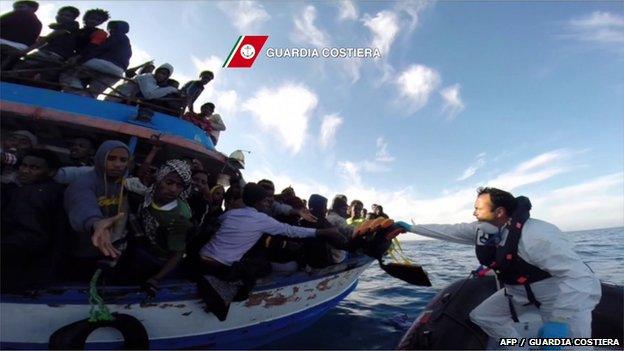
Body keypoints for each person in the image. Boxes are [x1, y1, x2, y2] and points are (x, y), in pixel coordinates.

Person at [395, 187, 601, 344]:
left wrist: (559, 320)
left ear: (500, 211)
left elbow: (578, 277)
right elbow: (451, 230)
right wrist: (412, 228)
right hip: (517, 294)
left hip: (558, 296)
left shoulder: (538, 235)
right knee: (483, 317)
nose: (473, 213)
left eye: (478, 208)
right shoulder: (486, 230)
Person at [198, 183, 343, 289]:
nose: (269, 204)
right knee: (263, 266)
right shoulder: (262, 220)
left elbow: (217, 223)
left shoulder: (230, 213)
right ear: (258, 202)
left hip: (200, 259)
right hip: (218, 268)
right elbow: (291, 230)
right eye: (266, 201)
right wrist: (324, 232)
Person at [1, 149, 66, 291]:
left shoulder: (33, 195)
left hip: (22, 269)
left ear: (51, 172)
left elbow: (29, 235)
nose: (25, 171)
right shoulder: (50, 190)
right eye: (23, 166)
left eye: (34, 168)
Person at [63, 140, 130, 277]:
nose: (118, 164)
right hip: (81, 251)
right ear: (100, 158)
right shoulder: (83, 184)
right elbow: (82, 204)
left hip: (110, 250)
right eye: (111, 158)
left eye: (123, 160)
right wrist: (95, 223)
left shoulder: (125, 185)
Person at [134, 159, 193, 294]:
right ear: (159, 180)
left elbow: (177, 254)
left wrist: (156, 279)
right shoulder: (148, 194)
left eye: (179, 186)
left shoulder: (179, 214)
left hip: (158, 263)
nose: (173, 189)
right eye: (169, 182)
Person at [60, 20, 132, 98]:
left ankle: (75, 94)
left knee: (69, 73)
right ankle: (83, 102)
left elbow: (101, 48)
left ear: (115, 28)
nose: (109, 30)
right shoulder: (127, 43)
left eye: (110, 28)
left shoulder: (116, 36)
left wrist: (80, 60)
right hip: (118, 71)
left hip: (103, 63)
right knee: (93, 92)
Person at [14, 6, 80, 84]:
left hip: (50, 55)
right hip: (54, 57)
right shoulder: (65, 28)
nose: (62, 17)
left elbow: (46, 39)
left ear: (73, 19)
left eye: (67, 15)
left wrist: (26, 51)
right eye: (60, 14)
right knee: (41, 79)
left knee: (19, 70)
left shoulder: (72, 26)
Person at [0, 0, 42, 70]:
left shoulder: (15, 14)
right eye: (15, 8)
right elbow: (33, 40)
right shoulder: (39, 24)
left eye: (21, 7)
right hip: (22, 48)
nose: (16, 9)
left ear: (33, 9)